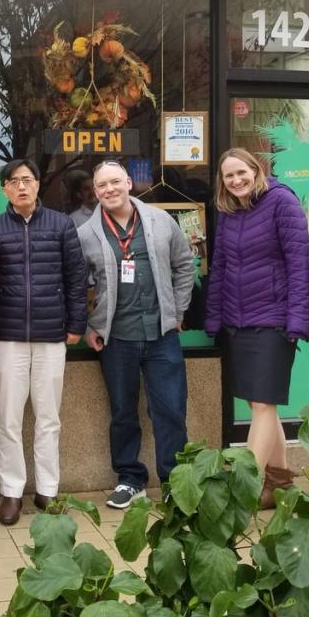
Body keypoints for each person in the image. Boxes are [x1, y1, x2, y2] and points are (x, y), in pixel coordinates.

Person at [78, 161, 195, 509]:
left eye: (115, 181)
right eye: (102, 185)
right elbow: (76, 285)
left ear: (129, 183)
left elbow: (184, 265)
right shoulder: (86, 234)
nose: (110, 189)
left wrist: (178, 310)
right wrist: (88, 326)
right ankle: (130, 479)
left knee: (171, 410)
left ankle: (175, 481)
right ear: (95, 192)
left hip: (162, 335)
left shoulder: (161, 221)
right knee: (123, 412)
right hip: (116, 338)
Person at [205, 148, 309, 509]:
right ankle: (279, 484)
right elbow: (220, 267)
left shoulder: (282, 201)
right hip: (239, 322)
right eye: (228, 176)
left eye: (241, 172)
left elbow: (299, 265)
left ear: (256, 170)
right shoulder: (228, 211)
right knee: (259, 404)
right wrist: (214, 317)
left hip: (274, 321)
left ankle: (243, 490)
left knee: (264, 403)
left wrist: (297, 320)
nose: (236, 180)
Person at [0, 158, 87, 525]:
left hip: (51, 336)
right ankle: (12, 491)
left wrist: (76, 323)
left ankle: (47, 490)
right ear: (4, 188)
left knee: (48, 418)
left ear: (38, 183)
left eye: (27, 179)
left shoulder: (61, 224)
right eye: (13, 181)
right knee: (9, 419)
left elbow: (76, 278)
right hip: (7, 336)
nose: (21, 186)